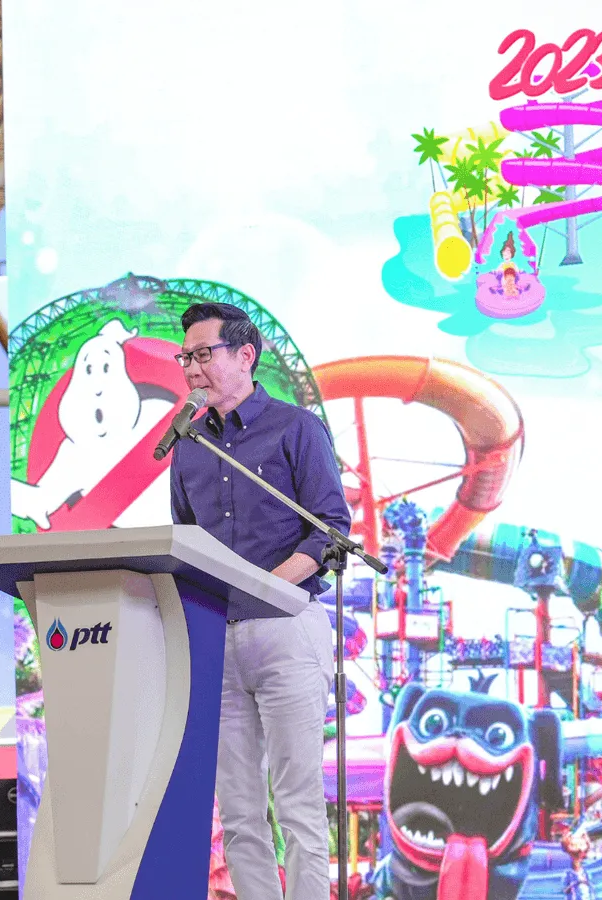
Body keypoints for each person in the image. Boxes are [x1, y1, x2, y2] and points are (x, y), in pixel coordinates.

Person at [167, 302, 350, 900]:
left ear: (245, 356)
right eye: (185, 357)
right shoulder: (188, 444)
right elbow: (184, 540)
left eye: (202, 354)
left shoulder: (296, 428)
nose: (191, 368)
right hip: (217, 638)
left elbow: (329, 528)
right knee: (240, 813)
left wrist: (271, 583)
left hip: (287, 625)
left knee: (298, 805)